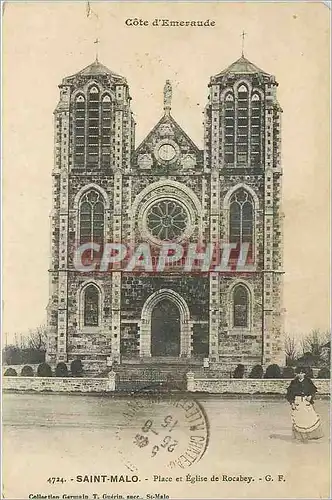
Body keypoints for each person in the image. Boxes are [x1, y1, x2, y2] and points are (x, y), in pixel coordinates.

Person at [286, 366, 323, 441]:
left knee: (309, 418)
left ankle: (310, 436)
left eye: (302, 373)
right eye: (299, 373)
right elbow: (289, 394)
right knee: (299, 419)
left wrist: (310, 396)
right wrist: (292, 403)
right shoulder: (294, 382)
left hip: (306, 401)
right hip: (298, 402)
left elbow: (313, 390)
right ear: (296, 374)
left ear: (305, 373)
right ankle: (300, 437)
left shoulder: (308, 381)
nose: (300, 375)